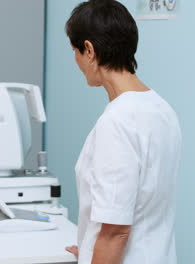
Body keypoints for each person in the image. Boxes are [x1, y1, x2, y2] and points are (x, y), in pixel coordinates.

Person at [63, 1, 181, 264]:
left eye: (75, 51)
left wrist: (100, 252)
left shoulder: (117, 122)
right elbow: (142, 206)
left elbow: (116, 232)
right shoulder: (162, 110)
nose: (76, 60)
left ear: (89, 50)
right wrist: (91, 249)